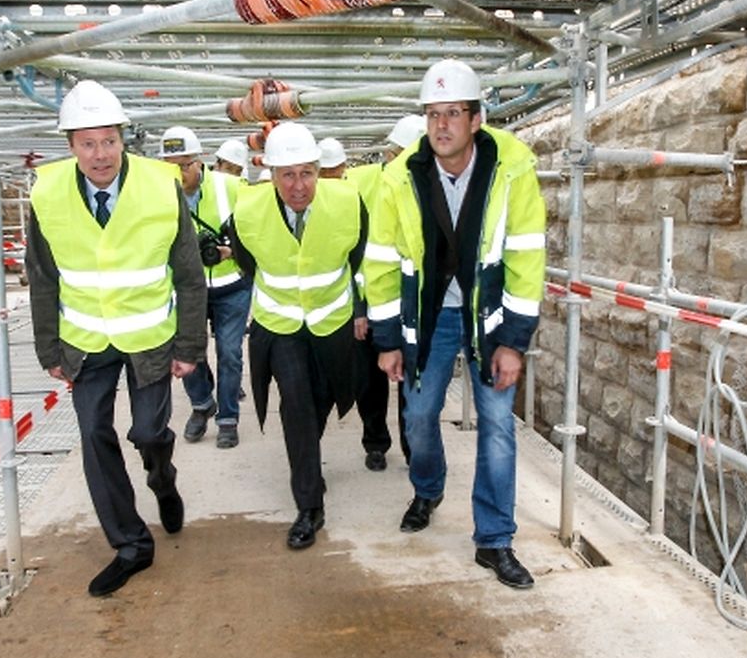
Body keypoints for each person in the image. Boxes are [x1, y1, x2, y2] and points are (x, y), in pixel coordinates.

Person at [366, 60, 546, 590]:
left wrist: (512, 342)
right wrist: (388, 339)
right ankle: (428, 486)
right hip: (429, 317)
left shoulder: (512, 170)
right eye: (432, 114)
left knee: (497, 428)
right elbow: (379, 260)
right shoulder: (400, 177)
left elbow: (526, 257)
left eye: (453, 114)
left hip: (487, 318)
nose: (441, 125)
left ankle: (494, 540)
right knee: (419, 415)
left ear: (476, 119)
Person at [25, 80, 206, 597]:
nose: (100, 154)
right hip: (84, 339)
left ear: (124, 139)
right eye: (87, 143)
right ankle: (131, 545)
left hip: (149, 336)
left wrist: (191, 346)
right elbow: (42, 275)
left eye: (108, 141)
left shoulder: (158, 183)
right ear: (70, 145)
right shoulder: (48, 191)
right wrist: (49, 349)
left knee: (149, 432)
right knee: (92, 436)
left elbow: (188, 272)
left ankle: (162, 479)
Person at [229, 122, 367, 550]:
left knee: (322, 399)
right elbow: (245, 261)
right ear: (270, 175)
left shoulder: (348, 203)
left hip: (332, 323)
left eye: (306, 173)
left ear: (319, 171)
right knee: (297, 404)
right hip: (280, 326)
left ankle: (306, 451)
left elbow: (359, 259)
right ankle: (309, 504)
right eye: (287, 174)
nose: (298, 185)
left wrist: (359, 310)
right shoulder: (247, 211)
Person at [160, 126, 251, 449]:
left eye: (185, 164)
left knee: (230, 353)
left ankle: (228, 417)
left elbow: (259, 230)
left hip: (232, 286)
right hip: (187, 291)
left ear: (200, 162)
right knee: (188, 354)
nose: (178, 173)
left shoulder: (231, 187)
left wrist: (232, 252)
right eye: (171, 166)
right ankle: (202, 404)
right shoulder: (157, 196)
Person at [316, 137, 400, 472]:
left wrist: (360, 309)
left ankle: (387, 443)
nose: (329, 181)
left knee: (374, 380)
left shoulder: (356, 195)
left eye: (334, 173)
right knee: (340, 383)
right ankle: (367, 442)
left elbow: (363, 257)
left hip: (363, 303)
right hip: (322, 311)